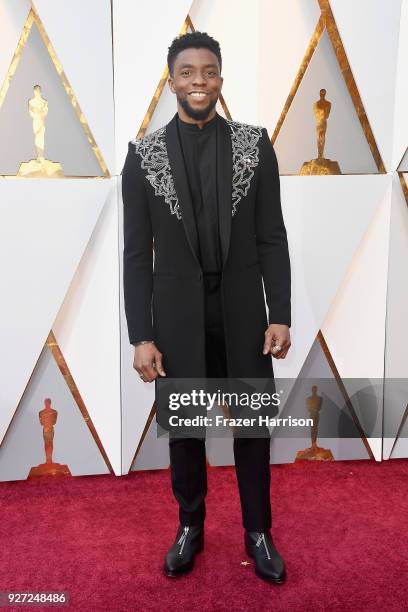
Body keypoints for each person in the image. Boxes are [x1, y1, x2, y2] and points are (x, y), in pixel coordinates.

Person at [122, 31, 292, 583]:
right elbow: (135, 254)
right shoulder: (143, 157)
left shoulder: (253, 143)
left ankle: (258, 532)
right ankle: (190, 527)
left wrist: (280, 312)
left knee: (253, 429)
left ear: (221, 78)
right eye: (188, 72)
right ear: (171, 80)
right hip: (177, 317)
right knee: (187, 430)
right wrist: (141, 334)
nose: (200, 81)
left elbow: (272, 237)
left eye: (210, 71)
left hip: (243, 311)